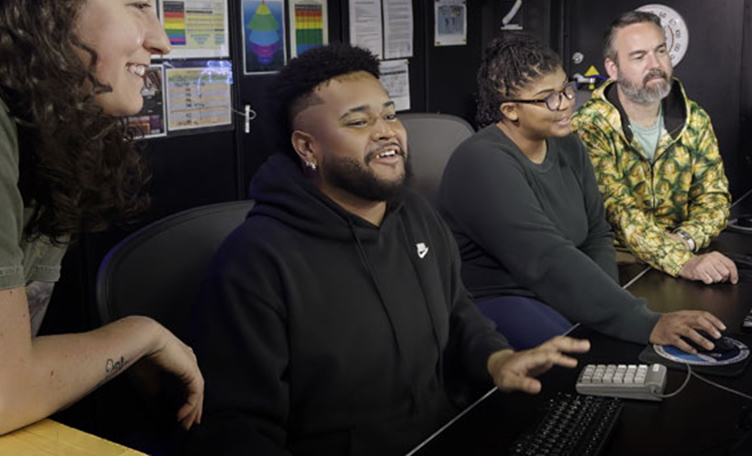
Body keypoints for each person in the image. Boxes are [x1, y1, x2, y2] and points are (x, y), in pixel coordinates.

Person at [187, 44, 589, 456]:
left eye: (390, 114)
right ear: (307, 148)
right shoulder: (254, 262)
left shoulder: (414, 213)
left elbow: (458, 311)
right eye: (359, 121)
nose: (386, 131)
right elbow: (236, 431)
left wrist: (496, 360)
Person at [0, 0, 203, 440]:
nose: (161, 38)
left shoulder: (43, 126)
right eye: (139, 5)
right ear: (47, 1)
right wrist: (142, 333)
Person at [437, 34, 725, 351]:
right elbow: (545, 258)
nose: (565, 105)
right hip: (500, 297)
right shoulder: (482, 162)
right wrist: (642, 321)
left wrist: (609, 304)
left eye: (566, 90)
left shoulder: (567, 142)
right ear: (510, 110)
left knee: (612, 337)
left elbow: (596, 232)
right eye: (548, 98)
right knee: (589, 352)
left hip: (557, 284)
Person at [573, 10, 738, 285]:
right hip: (617, 266)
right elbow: (620, 214)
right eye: (639, 57)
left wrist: (686, 240)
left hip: (687, 254)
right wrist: (682, 260)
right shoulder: (590, 126)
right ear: (612, 69)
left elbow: (715, 199)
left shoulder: (694, 118)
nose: (655, 64)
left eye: (660, 51)